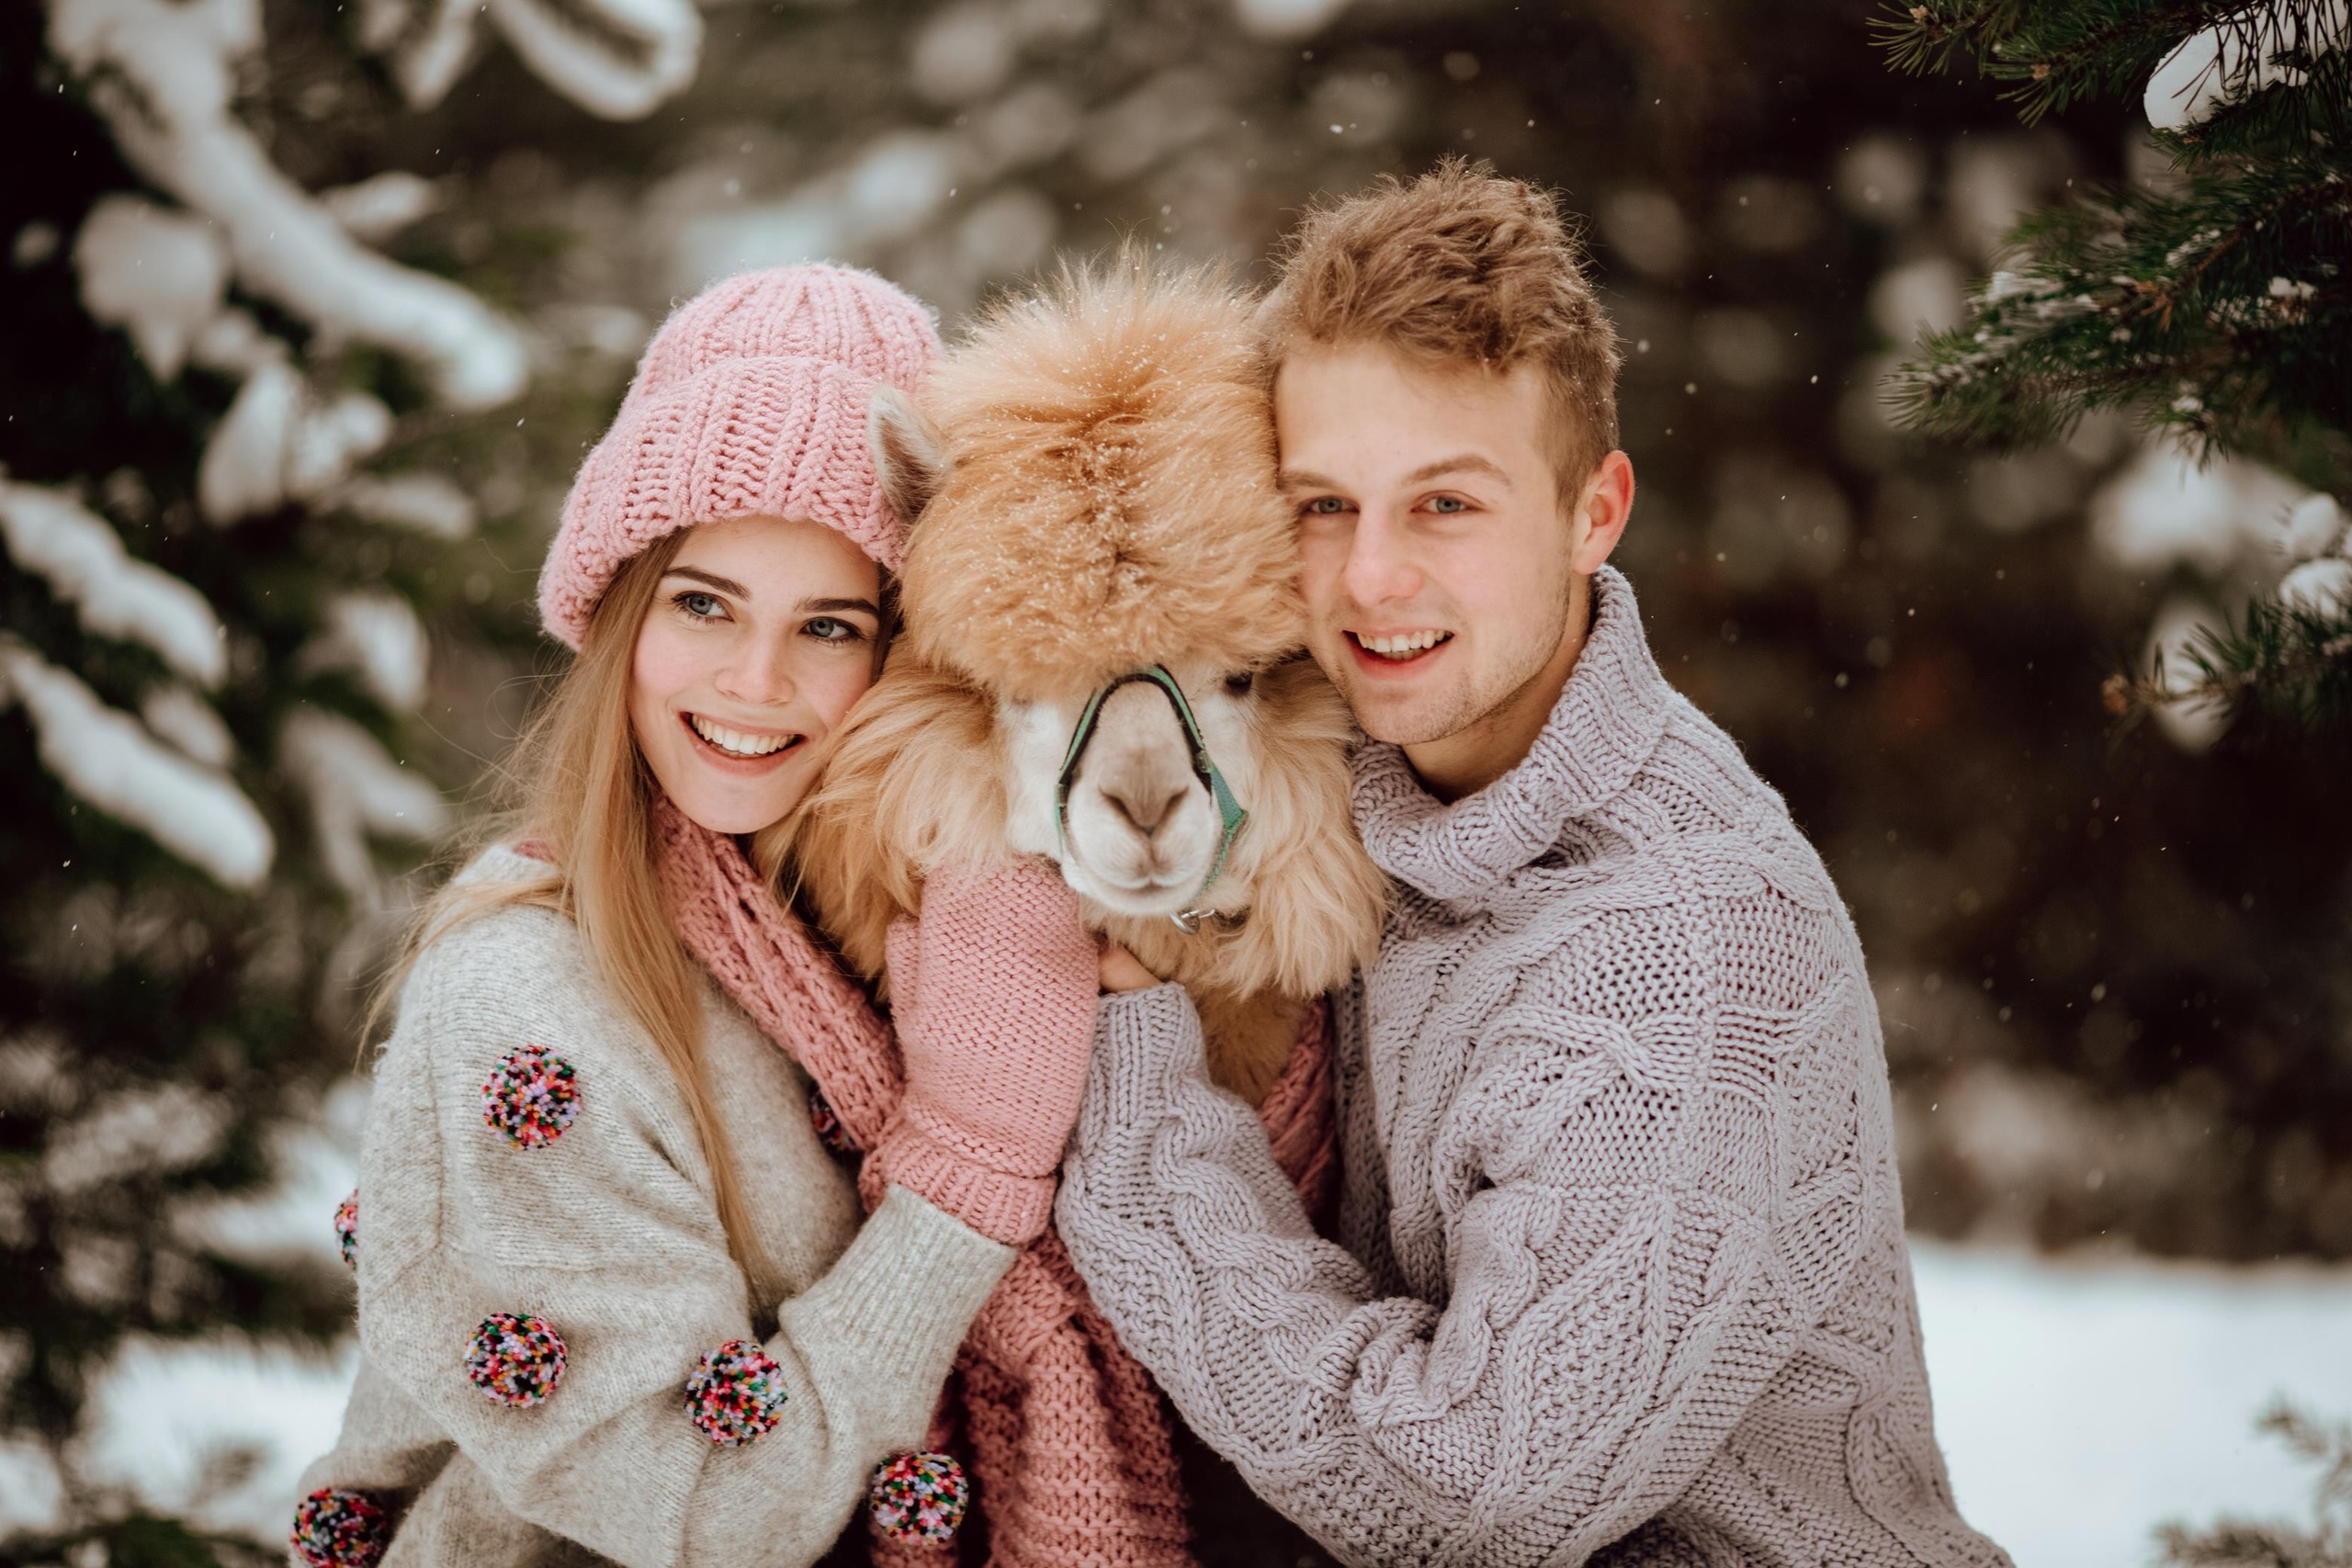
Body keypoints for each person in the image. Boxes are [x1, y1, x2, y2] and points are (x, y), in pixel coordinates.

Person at [1053, 162, 2015, 1566]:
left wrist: (1142, 1133)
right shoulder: (1356, 789)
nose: (1371, 577)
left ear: (1594, 511)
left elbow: (1469, 1499)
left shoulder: (1680, 945)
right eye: (1324, 505)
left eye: (1445, 505)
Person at [289, 265, 1100, 1568]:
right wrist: (968, 1175)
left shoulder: (932, 936)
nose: (758, 681)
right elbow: (709, 1510)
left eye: (831, 625)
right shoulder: (527, 1001)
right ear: (618, 612)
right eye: (704, 603)